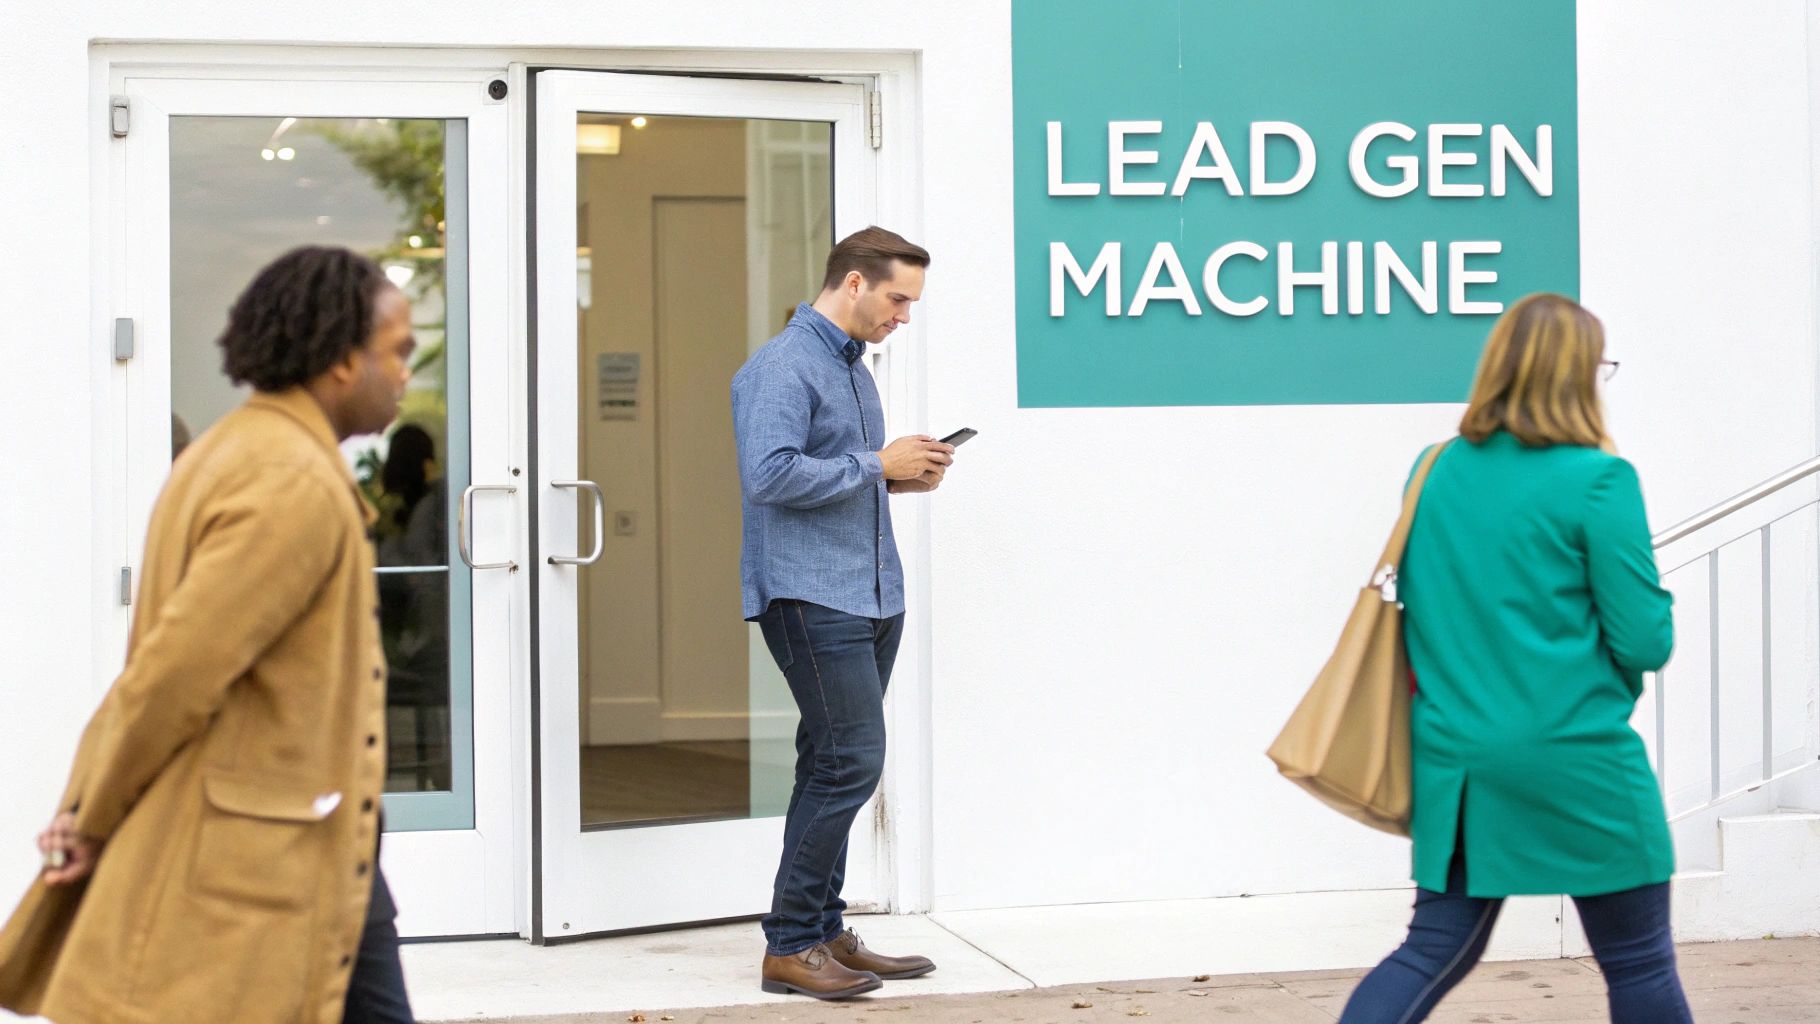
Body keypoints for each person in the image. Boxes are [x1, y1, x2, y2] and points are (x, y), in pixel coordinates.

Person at [0, 246, 419, 1024]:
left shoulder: (233, 449)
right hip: (266, 861)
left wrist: (88, 798)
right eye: (398, 351)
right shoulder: (288, 479)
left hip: (317, 843)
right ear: (340, 359)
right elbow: (177, 670)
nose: (405, 374)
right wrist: (91, 816)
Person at [1338, 293, 1690, 1023]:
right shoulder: (1600, 479)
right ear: (1579, 374)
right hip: (1578, 754)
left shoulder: (1433, 469)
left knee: (1430, 952)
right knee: (1639, 962)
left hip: (1459, 762)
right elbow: (1644, 641)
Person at [732, 226, 955, 1000]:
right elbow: (767, 476)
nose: (904, 316)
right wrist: (876, 464)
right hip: (811, 595)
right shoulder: (784, 365)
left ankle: (822, 932)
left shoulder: (852, 367)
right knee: (850, 761)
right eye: (897, 298)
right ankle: (791, 944)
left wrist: (896, 477)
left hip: (869, 594)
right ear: (854, 283)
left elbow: (829, 473)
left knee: (830, 759)